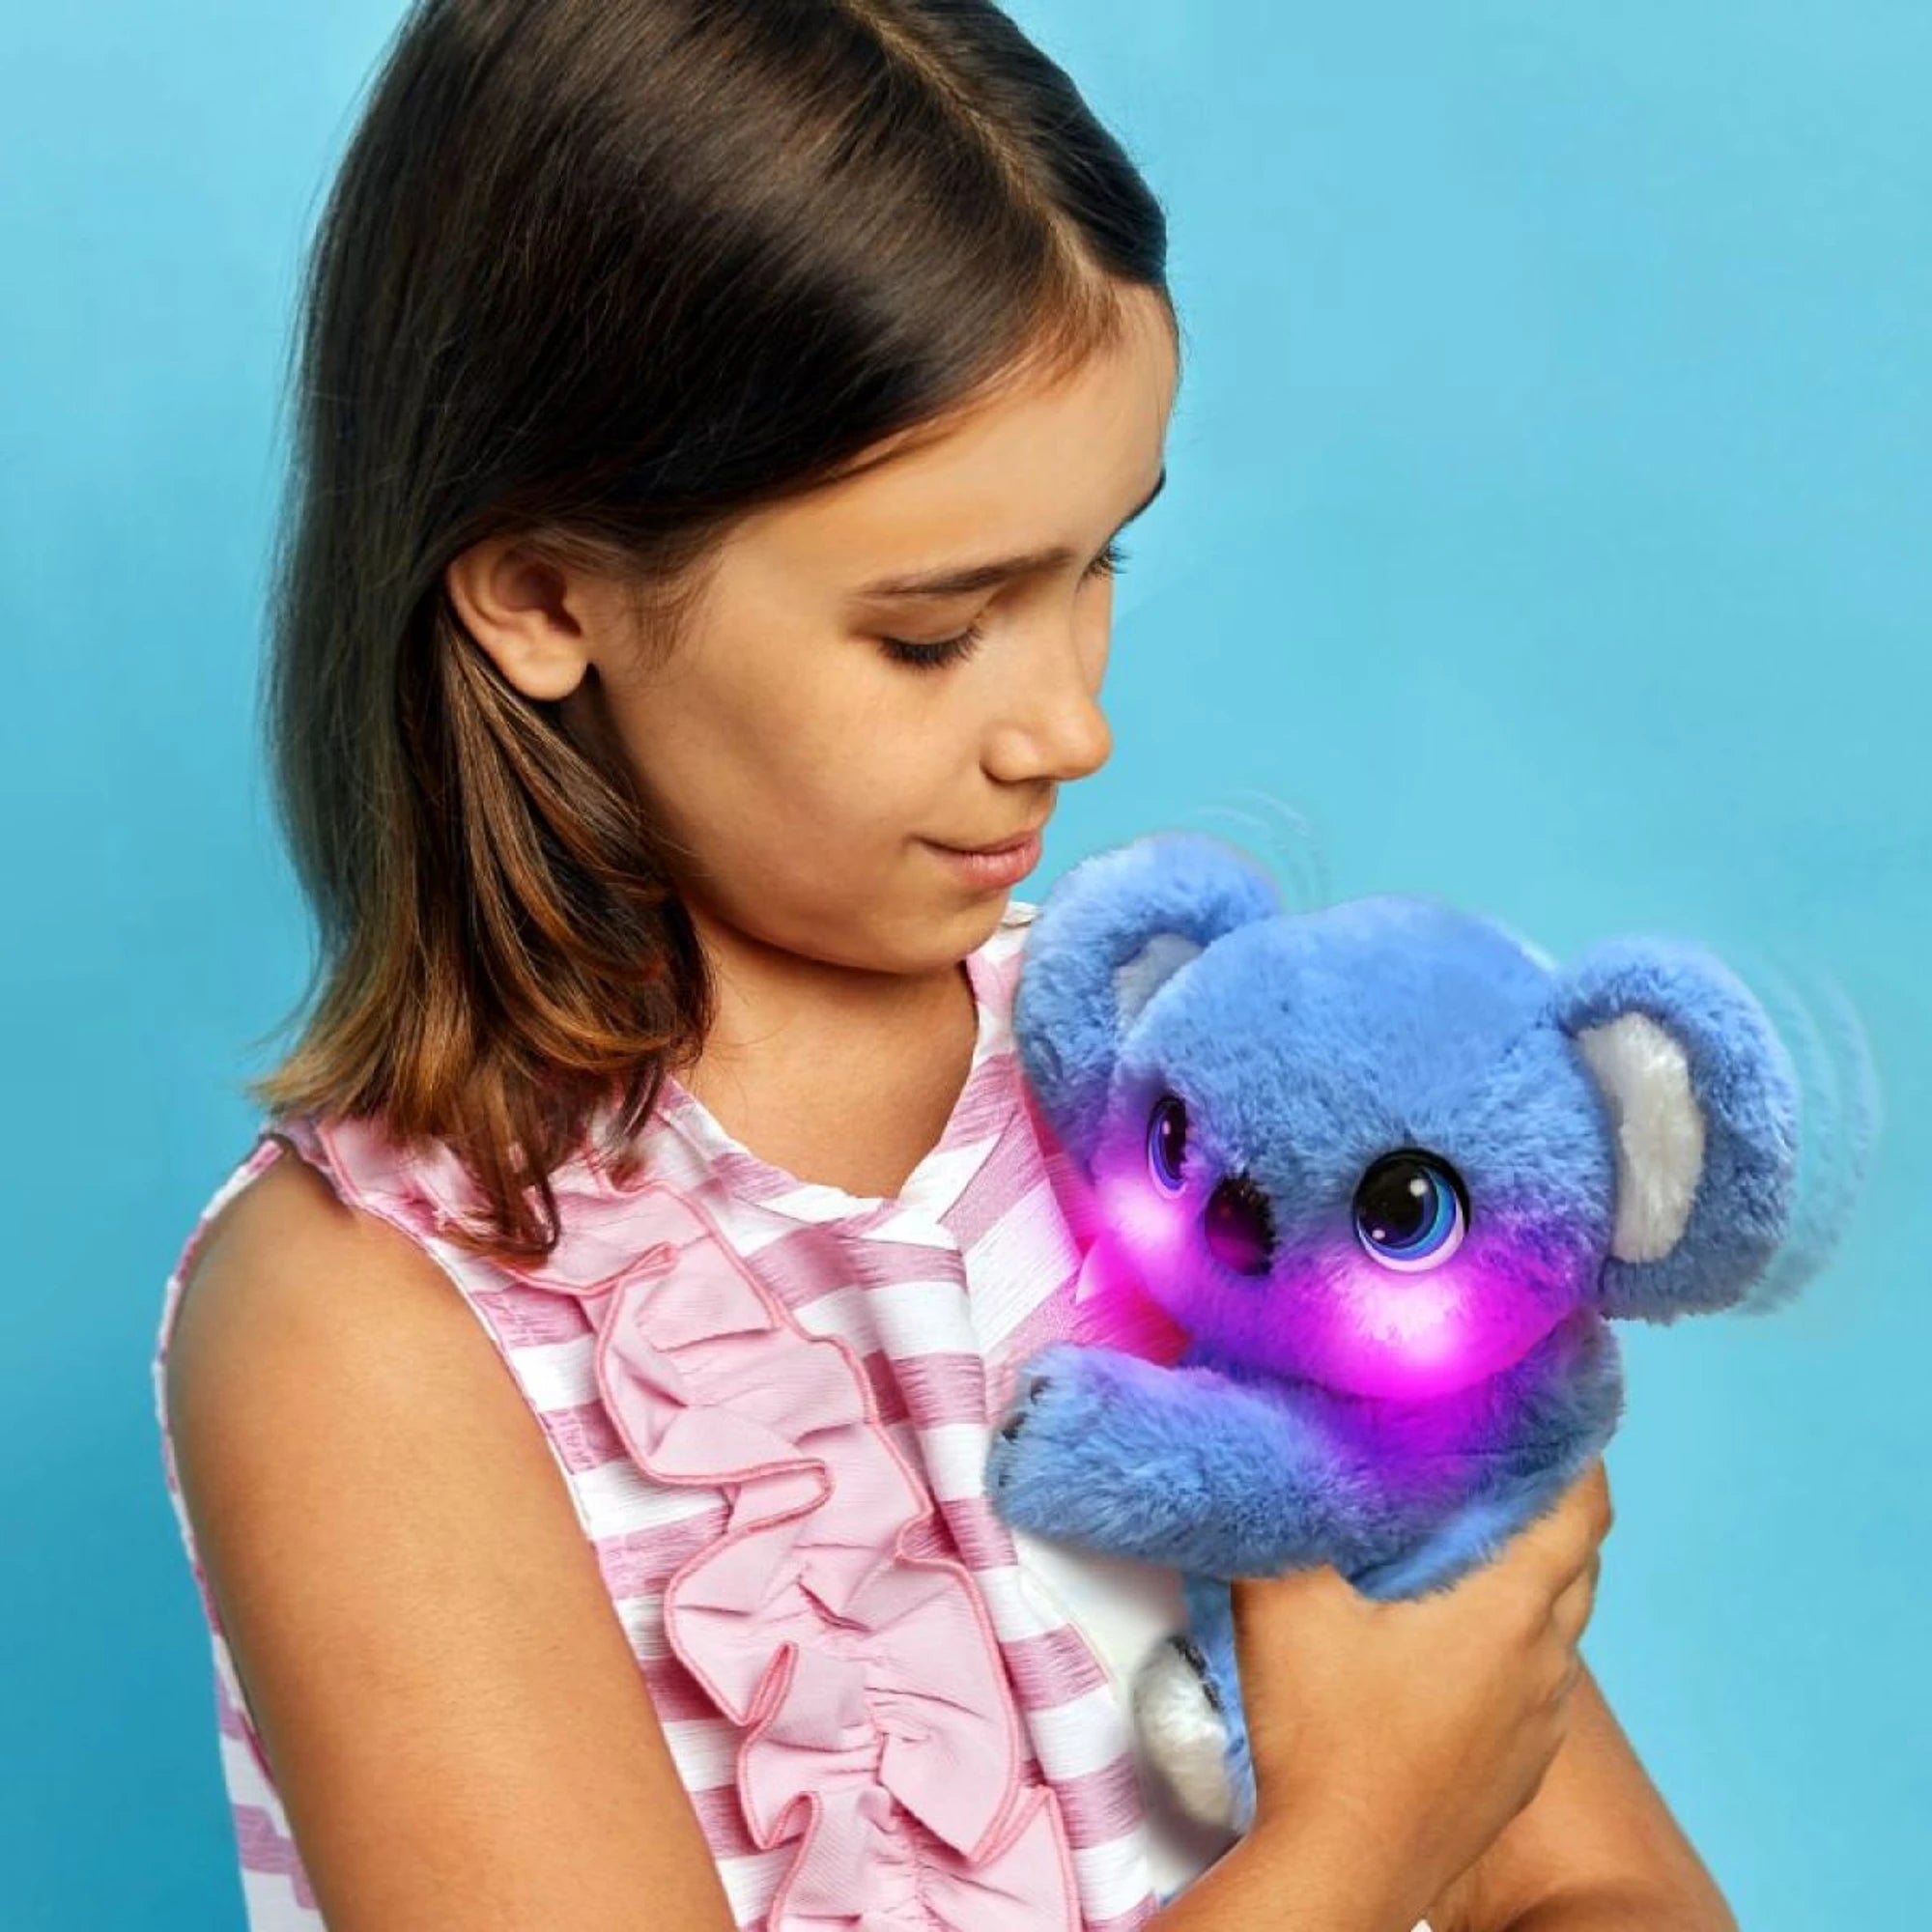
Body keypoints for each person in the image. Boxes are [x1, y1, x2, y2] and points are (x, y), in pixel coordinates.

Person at [150, 2, 1736, 1927]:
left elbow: (1610, 1889)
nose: (1070, 728)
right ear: (547, 595)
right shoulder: (359, 1334)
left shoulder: (1179, 1090)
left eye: (1099, 566)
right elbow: (1421, 1785)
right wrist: (1365, 1832)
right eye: (930, 634)